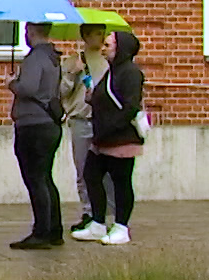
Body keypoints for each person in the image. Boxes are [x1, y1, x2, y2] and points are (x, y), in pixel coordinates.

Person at [73, 31, 144, 246]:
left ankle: (121, 226)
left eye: (107, 45)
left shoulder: (131, 73)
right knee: (91, 175)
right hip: (102, 138)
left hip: (121, 139)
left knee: (121, 182)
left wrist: (112, 126)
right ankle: (97, 223)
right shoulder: (111, 71)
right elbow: (105, 99)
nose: (103, 48)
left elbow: (130, 106)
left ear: (120, 48)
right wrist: (92, 98)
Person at [8, 22, 66, 250]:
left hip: (32, 125)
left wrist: (12, 83)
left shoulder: (35, 58)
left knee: (35, 179)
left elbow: (29, 88)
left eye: (26, 32)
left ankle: (41, 232)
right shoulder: (53, 58)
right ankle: (54, 229)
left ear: (31, 32)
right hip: (49, 124)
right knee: (45, 178)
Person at [61, 23, 112, 236]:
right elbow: (62, 92)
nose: (100, 39)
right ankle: (88, 212)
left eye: (103, 34)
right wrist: (73, 74)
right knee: (83, 169)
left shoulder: (108, 62)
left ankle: (107, 213)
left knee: (106, 171)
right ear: (85, 36)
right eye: (96, 34)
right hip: (81, 119)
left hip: (103, 120)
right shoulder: (73, 61)